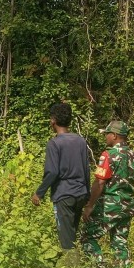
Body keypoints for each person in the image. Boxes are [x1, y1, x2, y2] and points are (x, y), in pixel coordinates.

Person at [81, 120, 134, 268]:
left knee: (88, 237)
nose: (105, 137)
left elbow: (100, 182)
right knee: (119, 240)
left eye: (107, 134)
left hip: (109, 206)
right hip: (127, 205)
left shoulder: (108, 155)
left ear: (114, 136)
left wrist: (89, 205)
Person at [31, 103, 90, 251]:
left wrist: (39, 193)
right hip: (81, 194)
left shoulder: (54, 143)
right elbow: (86, 170)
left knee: (67, 241)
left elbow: (52, 172)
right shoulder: (80, 141)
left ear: (53, 120)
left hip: (64, 196)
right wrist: (87, 195)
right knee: (74, 234)